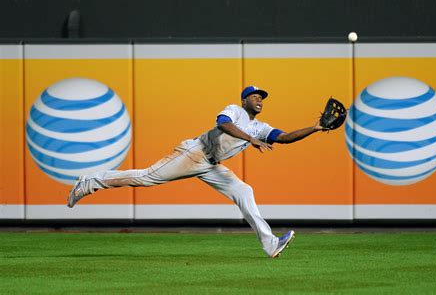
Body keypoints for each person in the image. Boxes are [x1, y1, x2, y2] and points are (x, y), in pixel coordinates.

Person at [67, 86, 328, 258]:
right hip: (194, 153)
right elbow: (223, 125)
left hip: (211, 165)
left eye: (262, 97)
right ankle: (92, 181)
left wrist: (313, 128)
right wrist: (252, 138)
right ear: (244, 99)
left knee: (244, 190)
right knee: (146, 177)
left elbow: (284, 137)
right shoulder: (235, 111)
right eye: (255, 96)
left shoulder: (259, 127)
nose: (260, 99)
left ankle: (270, 244)